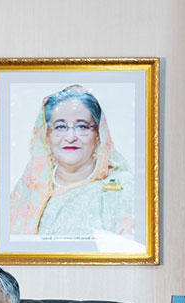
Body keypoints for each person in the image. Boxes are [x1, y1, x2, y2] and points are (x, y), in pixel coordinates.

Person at [10, 85, 134, 238]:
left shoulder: (122, 189)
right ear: (46, 135)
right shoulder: (27, 191)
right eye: (60, 127)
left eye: (82, 126)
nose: (70, 137)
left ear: (98, 134)